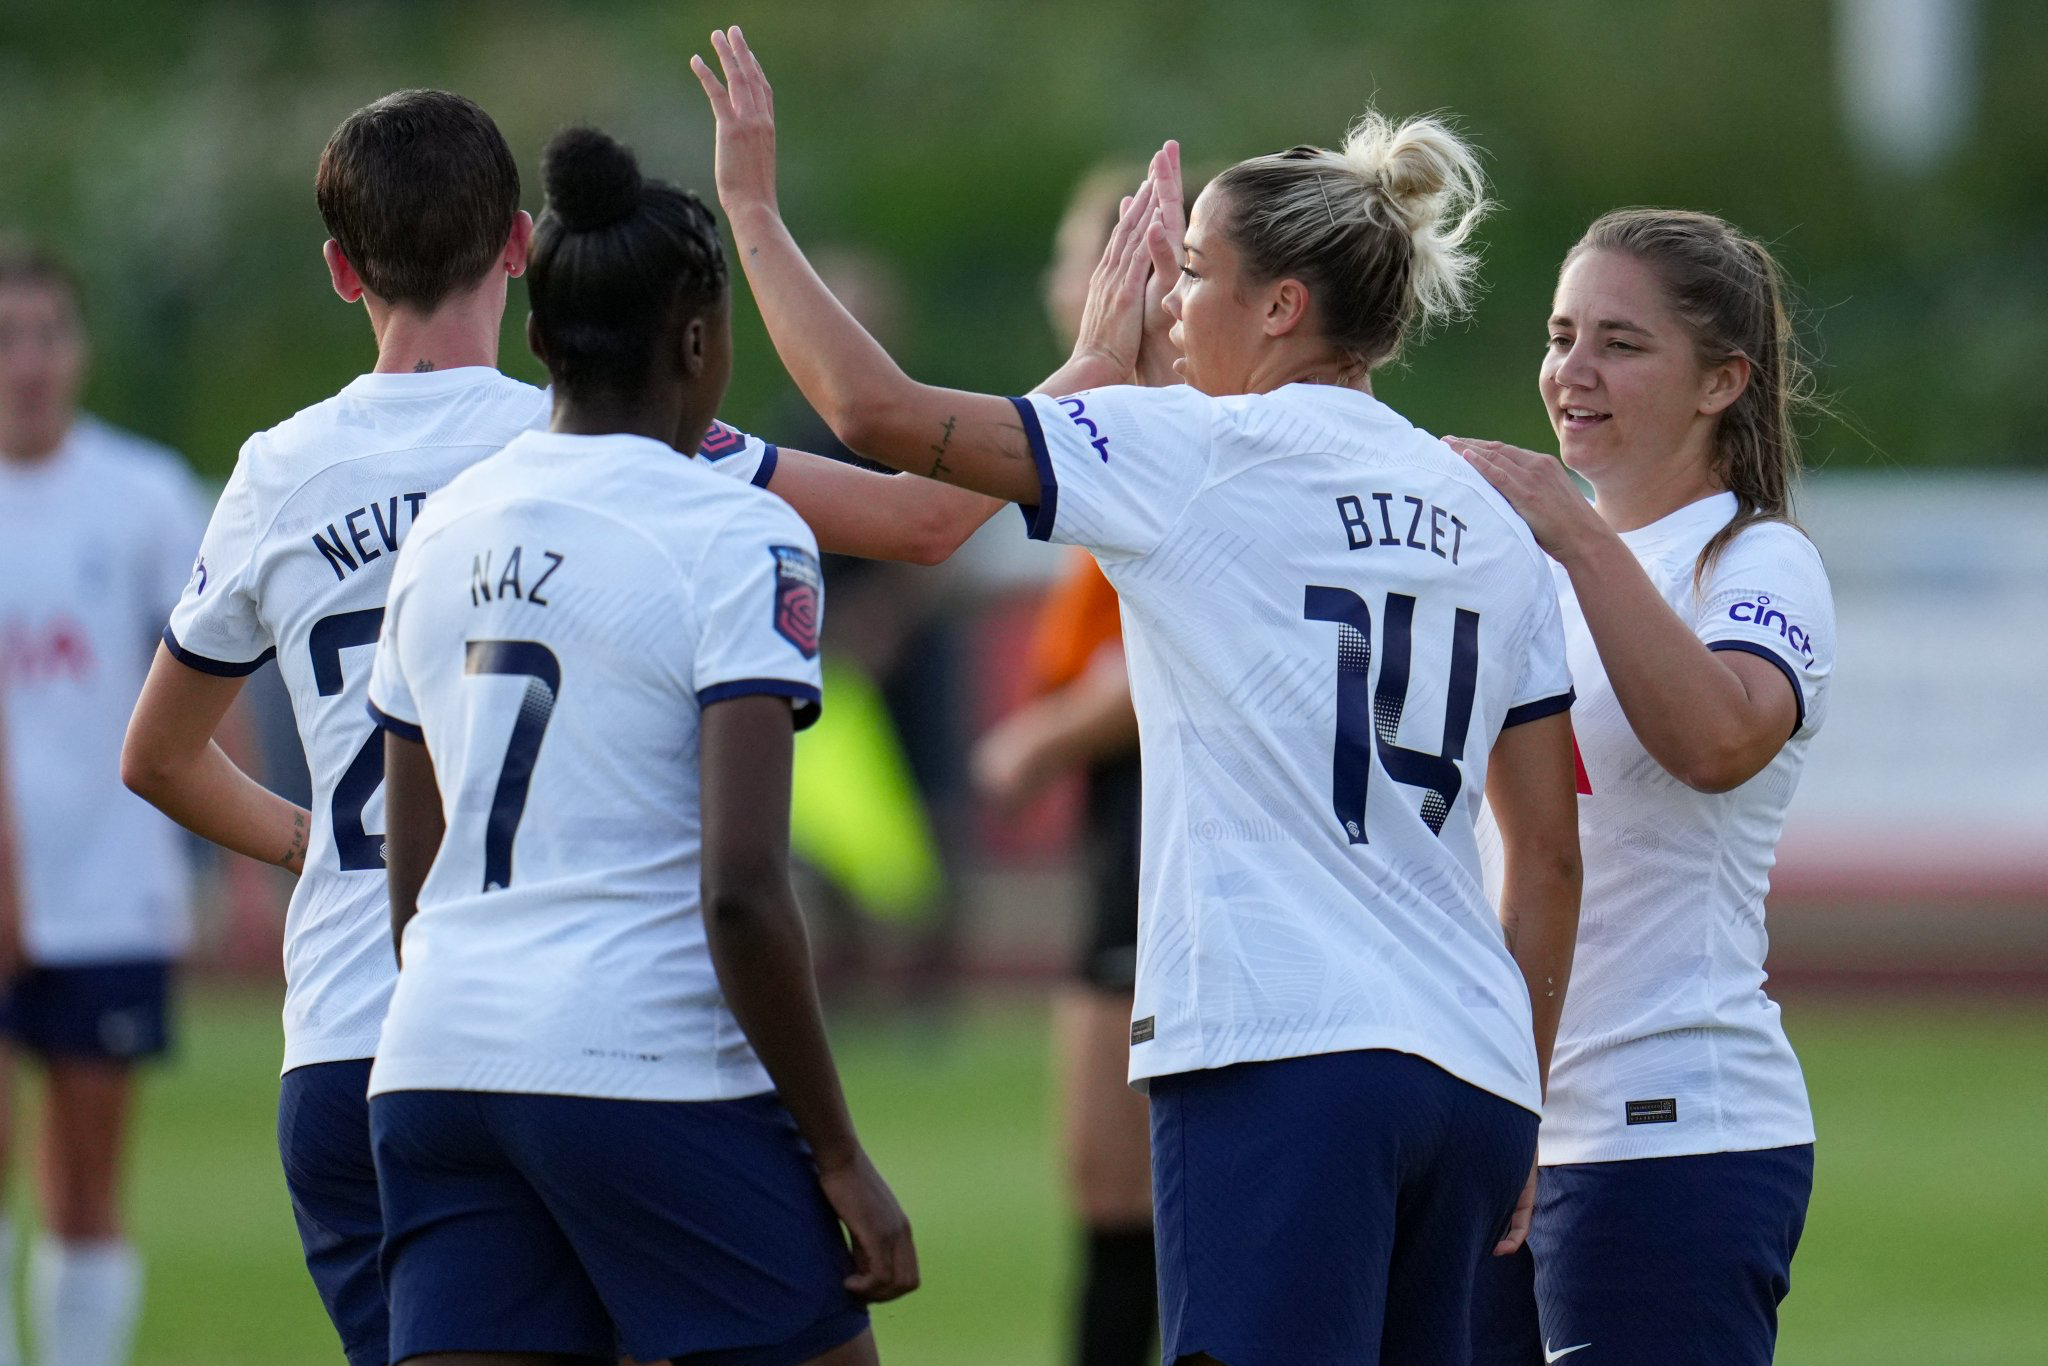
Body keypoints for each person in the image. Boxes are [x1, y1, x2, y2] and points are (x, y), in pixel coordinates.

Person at [694, 28, 1584, 1364]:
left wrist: (752, 211)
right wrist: (1527, 1085)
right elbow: (1551, 856)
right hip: (1473, 1071)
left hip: (1282, 1055)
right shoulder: (1488, 511)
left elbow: (875, 416)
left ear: (1282, 306)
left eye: (1193, 275)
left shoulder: (1194, 452)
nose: (1168, 305)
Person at [118, 88, 997, 1366]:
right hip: (605, 1036)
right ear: (519, 244)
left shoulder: (279, 472)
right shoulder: (596, 434)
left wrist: (320, 847)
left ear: (337, 267)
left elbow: (156, 754)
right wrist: (1090, 369)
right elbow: (921, 518)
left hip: (376, 1039)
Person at [364, 124, 914, 1366]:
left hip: (439, 1059)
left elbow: (417, 877)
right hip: (641, 1056)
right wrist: (836, 1151)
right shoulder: (736, 532)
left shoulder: (442, 525)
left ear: (542, 337)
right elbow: (741, 891)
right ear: (699, 338)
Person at [1456, 209, 1831, 1366]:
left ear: (1722, 379)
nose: (1570, 371)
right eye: (1561, 333)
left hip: (1675, 1132)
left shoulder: (1754, 559)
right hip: (1501, 1126)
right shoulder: (1516, 562)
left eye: (1618, 343)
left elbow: (1717, 740)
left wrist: (1574, 535)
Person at [0, 240, 213, 1366]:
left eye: (49, 333)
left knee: (86, 1182)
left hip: (106, 885)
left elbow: (210, 685)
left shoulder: (144, 497)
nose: (29, 361)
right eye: (6, 336)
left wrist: (231, 853)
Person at [971, 162, 1156, 1366]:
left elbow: (1172, 653)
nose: (1057, 285)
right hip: (1119, 838)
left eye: (1074, 258)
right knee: (1107, 1191)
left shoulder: (1164, 444)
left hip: (1157, 836)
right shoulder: (1116, 444)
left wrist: (1039, 737)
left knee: (1126, 1196)